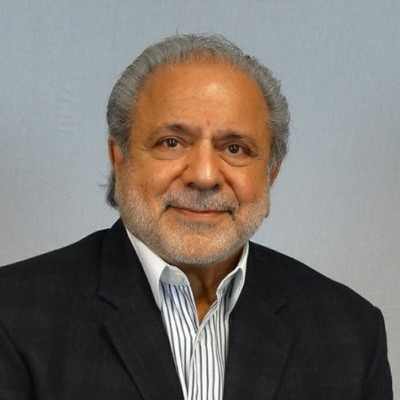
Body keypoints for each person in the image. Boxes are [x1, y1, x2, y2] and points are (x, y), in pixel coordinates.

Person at [0, 34, 392, 399]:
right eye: (172, 142)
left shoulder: (351, 331)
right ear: (119, 160)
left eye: (235, 148)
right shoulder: (14, 314)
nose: (204, 176)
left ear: (270, 175)